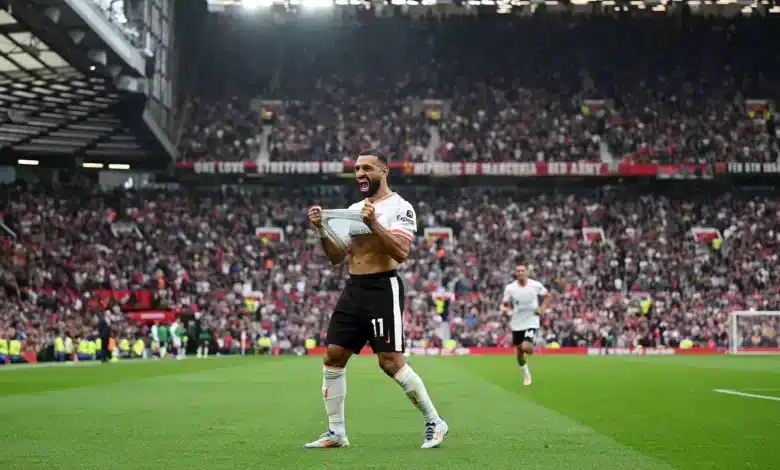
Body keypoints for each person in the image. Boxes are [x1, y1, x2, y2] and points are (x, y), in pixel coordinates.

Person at [304, 149, 448, 450]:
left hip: (383, 287)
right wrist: (321, 230)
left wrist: (374, 224)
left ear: (384, 172)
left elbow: (401, 253)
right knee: (333, 355)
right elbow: (336, 257)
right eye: (357, 168)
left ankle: (435, 421)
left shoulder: (401, 207)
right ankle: (336, 432)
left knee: (390, 362)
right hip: (353, 287)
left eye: (367, 168)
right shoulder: (354, 208)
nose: (360, 173)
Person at [501, 263, 553, 386]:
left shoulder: (535, 285)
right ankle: (527, 375)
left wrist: (542, 308)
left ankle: (530, 347)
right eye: (518, 271)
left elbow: (548, 296)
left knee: (526, 347)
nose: (520, 273)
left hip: (532, 321)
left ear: (527, 272)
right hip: (517, 323)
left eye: (522, 270)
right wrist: (505, 308)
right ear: (515, 273)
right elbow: (505, 303)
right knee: (519, 354)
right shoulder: (510, 288)